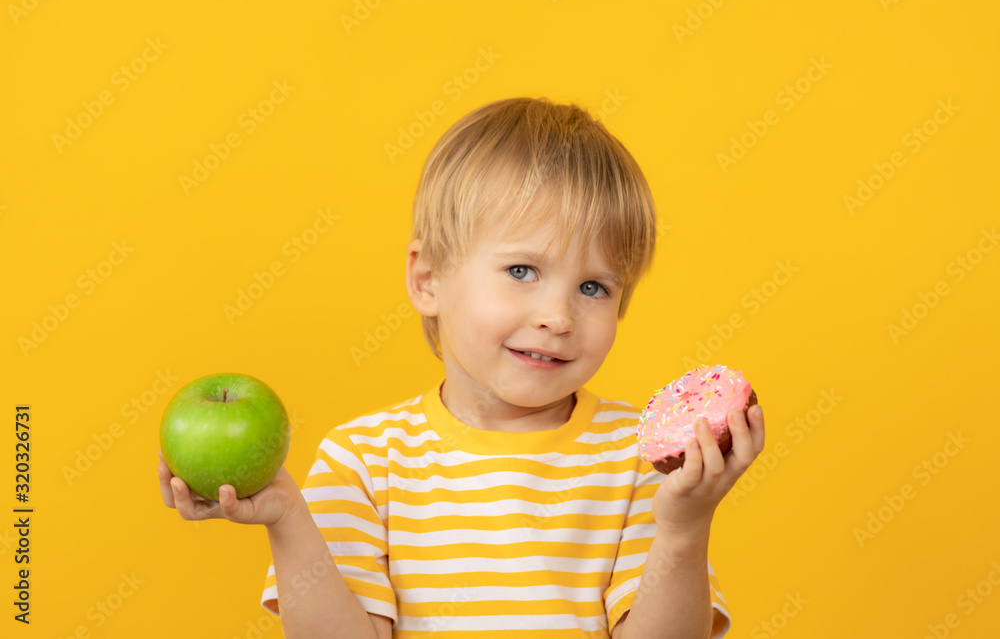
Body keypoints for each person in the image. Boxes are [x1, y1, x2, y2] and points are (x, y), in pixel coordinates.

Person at [158, 97, 766, 638]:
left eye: (594, 286)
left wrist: (684, 529)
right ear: (428, 280)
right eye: (522, 271)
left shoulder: (635, 461)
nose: (558, 316)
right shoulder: (364, 461)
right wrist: (289, 519)